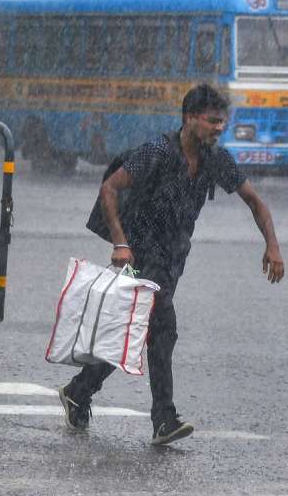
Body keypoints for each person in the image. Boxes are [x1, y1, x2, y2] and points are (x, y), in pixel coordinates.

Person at [59, 84, 284, 446]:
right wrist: (120, 242)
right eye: (212, 121)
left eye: (221, 123)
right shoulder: (158, 151)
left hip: (173, 258)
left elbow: (255, 202)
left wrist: (272, 245)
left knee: (135, 332)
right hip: (141, 254)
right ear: (189, 118)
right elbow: (110, 190)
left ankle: (79, 390)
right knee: (162, 330)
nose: (217, 129)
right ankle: (163, 419)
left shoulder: (216, 159)